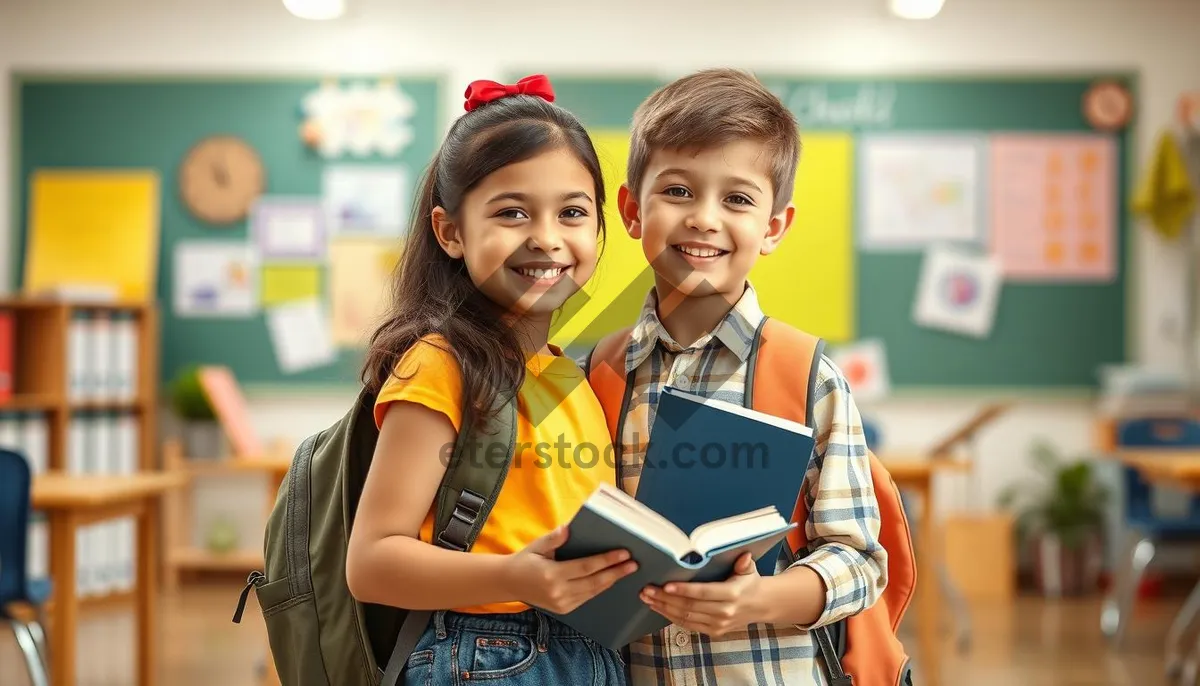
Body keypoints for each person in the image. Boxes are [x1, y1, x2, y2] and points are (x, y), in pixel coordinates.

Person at [587, 68, 888, 684]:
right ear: (630, 209)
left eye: (738, 199)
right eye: (677, 191)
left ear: (774, 225)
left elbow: (857, 560)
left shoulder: (810, 377)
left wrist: (761, 600)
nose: (703, 218)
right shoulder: (593, 376)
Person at [345, 75, 635, 685]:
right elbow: (371, 563)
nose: (547, 237)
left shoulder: (570, 375)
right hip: (489, 655)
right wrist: (514, 576)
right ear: (451, 231)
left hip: (589, 650)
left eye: (573, 212)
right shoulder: (439, 364)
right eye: (511, 212)